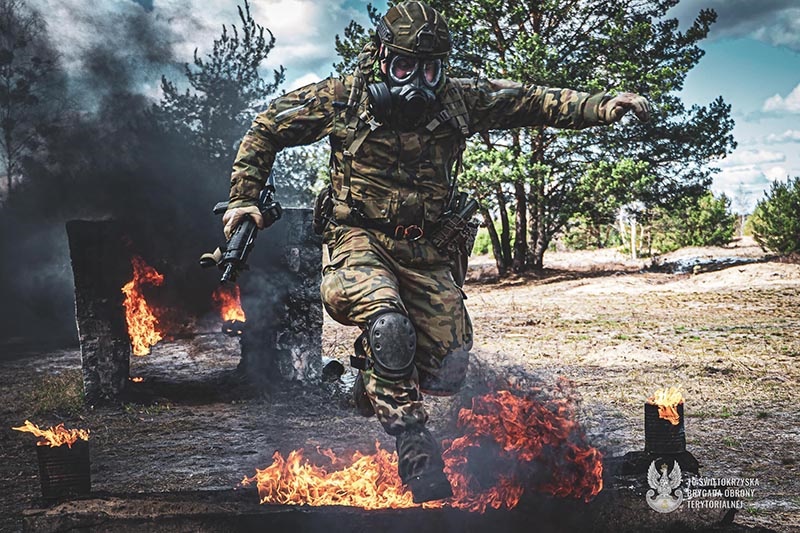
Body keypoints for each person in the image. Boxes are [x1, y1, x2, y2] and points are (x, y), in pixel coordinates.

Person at [222, 1, 650, 503]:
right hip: (357, 238)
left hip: (425, 249)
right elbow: (268, 126)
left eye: (429, 69)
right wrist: (245, 197)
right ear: (381, 57)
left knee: (447, 368)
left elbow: (531, 100)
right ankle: (414, 446)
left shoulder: (458, 98)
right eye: (404, 67)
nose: (416, 84)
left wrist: (601, 106)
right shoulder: (342, 98)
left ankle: (371, 379)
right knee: (389, 324)